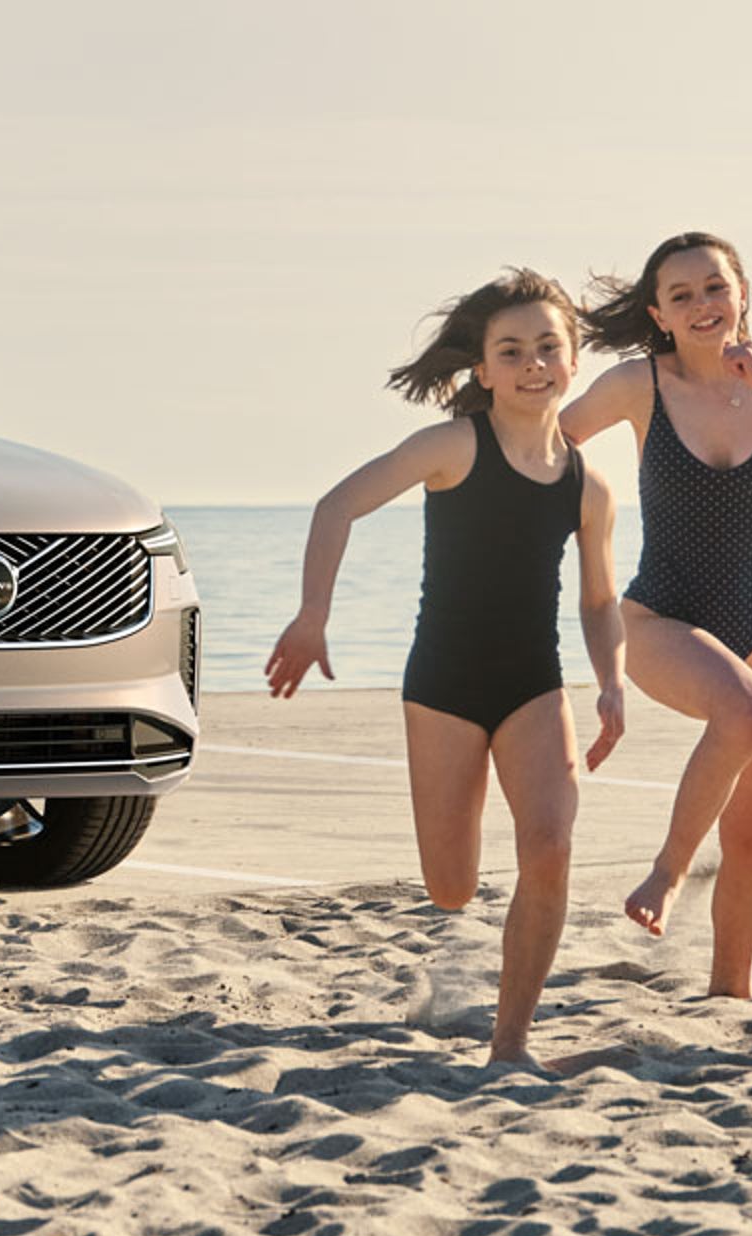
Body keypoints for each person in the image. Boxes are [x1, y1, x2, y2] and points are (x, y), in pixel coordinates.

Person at [265, 269, 625, 1070]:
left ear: (572, 361)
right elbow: (337, 506)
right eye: (512, 351)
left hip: (535, 683)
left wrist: (610, 680)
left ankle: (510, 1043)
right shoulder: (454, 446)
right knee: (451, 888)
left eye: (548, 347)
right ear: (483, 370)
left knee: (550, 843)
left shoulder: (588, 486)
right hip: (445, 689)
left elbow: (600, 601)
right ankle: (470, 958)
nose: (534, 364)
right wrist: (313, 614)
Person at [562, 231, 752, 997]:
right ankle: (666, 874)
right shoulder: (639, 386)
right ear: (659, 314)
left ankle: (732, 991)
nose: (703, 306)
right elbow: (547, 439)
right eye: (683, 295)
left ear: (743, 294)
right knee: (745, 713)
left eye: (716, 289)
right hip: (659, 615)